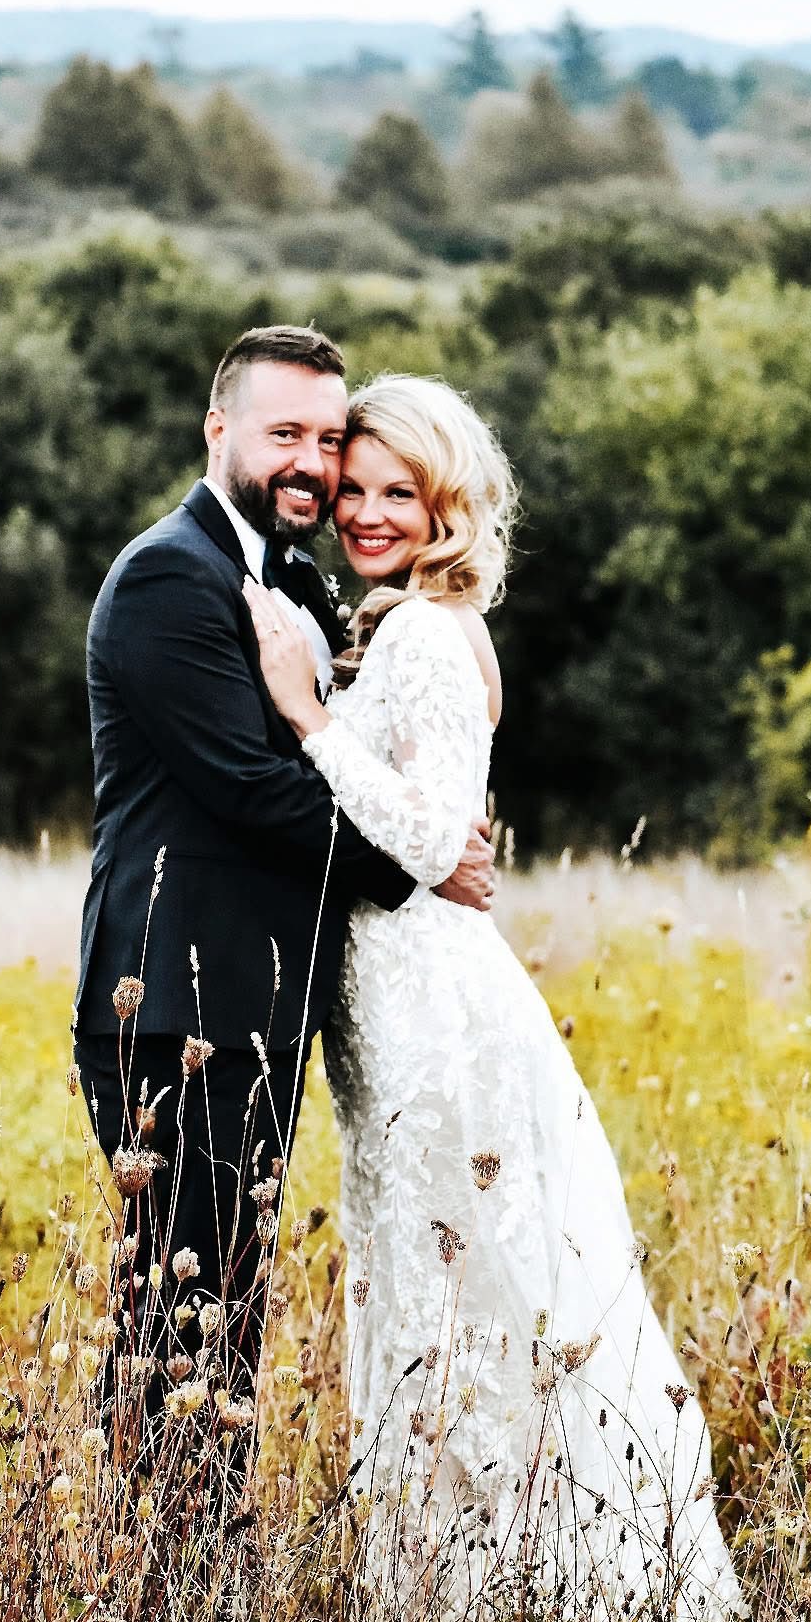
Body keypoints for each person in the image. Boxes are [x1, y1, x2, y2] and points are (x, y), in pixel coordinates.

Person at [242, 372, 749, 1622]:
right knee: (445, 1281)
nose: (361, 512)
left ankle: (504, 1591)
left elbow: (421, 835)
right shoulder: (420, 623)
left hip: (432, 1016)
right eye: (351, 489)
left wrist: (303, 711)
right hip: (410, 1001)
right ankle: (471, 1580)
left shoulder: (418, 632)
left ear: (445, 500)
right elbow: (442, 820)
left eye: (393, 492)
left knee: (465, 1283)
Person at [72, 328, 493, 1473]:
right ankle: (172, 1578)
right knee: (182, 1296)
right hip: (171, 1002)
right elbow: (254, 790)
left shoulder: (297, 576)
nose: (312, 462)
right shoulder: (170, 575)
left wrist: (415, 818)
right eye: (285, 434)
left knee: (224, 1295)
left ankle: (192, 1564)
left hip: (259, 1002)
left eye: (327, 437)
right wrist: (416, 854)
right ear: (220, 430)